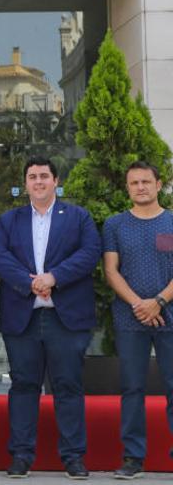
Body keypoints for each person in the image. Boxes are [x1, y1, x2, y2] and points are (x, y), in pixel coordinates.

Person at [0, 156, 101, 480]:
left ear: (55, 181)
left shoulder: (78, 217)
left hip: (64, 318)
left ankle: (74, 457)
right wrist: (30, 282)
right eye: (32, 177)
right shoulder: (10, 220)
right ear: (25, 183)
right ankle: (21, 455)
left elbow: (89, 253)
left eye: (44, 176)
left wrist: (53, 277)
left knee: (68, 387)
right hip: (22, 317)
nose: (38, 182)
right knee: (23, 386)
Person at [103, 161, 173, 479]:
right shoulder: (115, 225)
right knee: (132, 389)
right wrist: (139, 305)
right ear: (127, 188)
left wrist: (158, 302)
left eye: (146, 181)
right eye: (134, 183)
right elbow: (110, 270)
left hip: (170, 315)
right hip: (130, 319)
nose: (140, 187)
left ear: (159, 185)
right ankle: (133, 458)